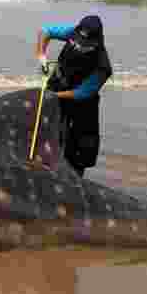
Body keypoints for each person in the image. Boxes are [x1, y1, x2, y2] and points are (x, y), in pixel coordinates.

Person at [34, 15, 113, 177]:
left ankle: (75, 176)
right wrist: (41, 55)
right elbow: (45, 31)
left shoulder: (103, 67)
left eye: (85, 46)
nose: (79, 47)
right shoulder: (73, 32)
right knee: (48, 130)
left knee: (82, 147)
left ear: (96, 42)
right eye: (77, 42)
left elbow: (82, 93)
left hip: (82, 100)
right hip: (58, 83)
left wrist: (54, 95)